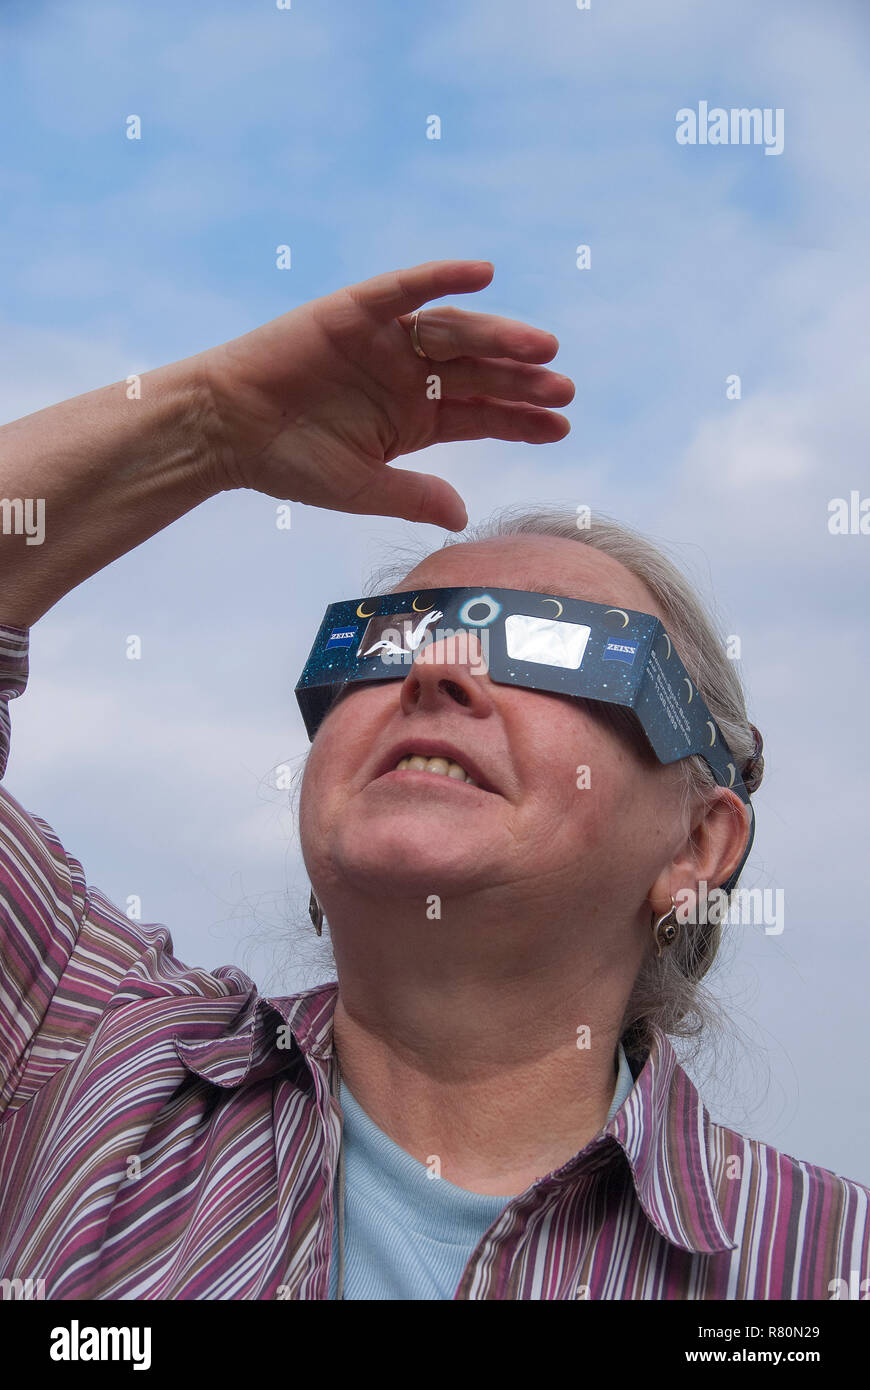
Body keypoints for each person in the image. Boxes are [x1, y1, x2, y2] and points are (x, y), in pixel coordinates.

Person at [0, 260, 867, 1301]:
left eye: (554, 649)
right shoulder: (75, 1048)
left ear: (696, 848)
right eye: (385, 642)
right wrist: (202, 428)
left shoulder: (827, 1267)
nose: (436, 672)